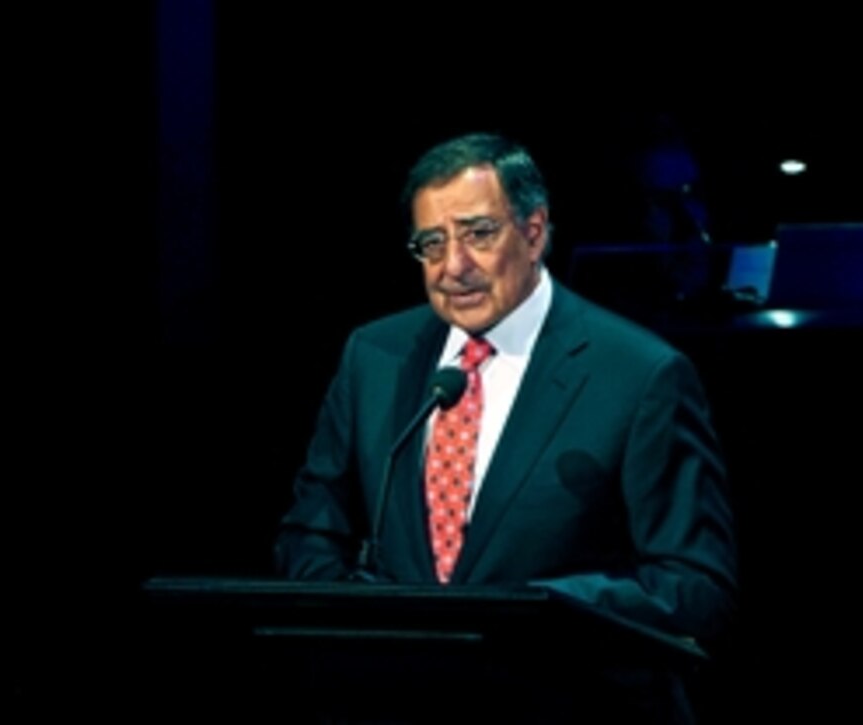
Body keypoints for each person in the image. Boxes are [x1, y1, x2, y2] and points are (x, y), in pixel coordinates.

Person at [273, 132, 737, 723]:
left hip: (569, 712)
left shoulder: (640, 375)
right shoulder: (375, 356)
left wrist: (533, 613)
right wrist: (370, 630)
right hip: (394, 710)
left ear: (534, 231)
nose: (453, 267)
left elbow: (694, 586)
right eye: (432, 244)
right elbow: (311, 536)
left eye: (478, 234)